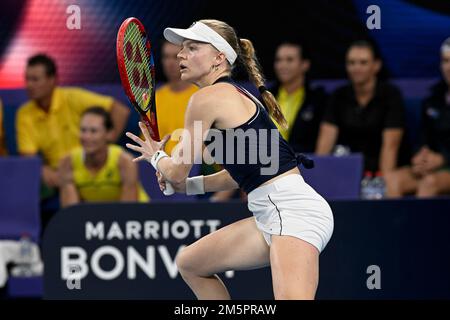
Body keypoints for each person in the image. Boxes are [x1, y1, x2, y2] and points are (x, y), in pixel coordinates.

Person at [125, 19, 333, 299]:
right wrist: (187, 186)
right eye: (182, 48)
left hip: (290, 211)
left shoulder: (205, 99)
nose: (180, 55)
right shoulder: (237, 95)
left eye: (192, 47)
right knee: (191, 263)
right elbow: (238, 174)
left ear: (218, 58)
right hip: (272, 213)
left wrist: (156, 156)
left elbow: (175, 171)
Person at [16, 54, 130, 191]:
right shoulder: (24, 113)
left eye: (35, 79)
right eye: (27, 79)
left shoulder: (73, 97)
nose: (29, 85)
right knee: (27, 184)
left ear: (52, 80)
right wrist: (42, 170)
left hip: (89, 166)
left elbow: (120, 111)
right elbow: (29, 158)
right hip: (57, 174)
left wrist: (105, 142)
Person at [316, 40, 408, 174]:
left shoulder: (391, 95)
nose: (356, 68)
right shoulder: (338, 96)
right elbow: (324, 144)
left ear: (376, 65)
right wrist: (317, 175)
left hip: (380, 170)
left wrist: (383, 184)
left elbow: (390, 146)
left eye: (363, 62)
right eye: (351, 63)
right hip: (347, 170)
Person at [384, 38, 450, 198]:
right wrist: (420, 157)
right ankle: (393, 224)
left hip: (443, 167)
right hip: (432, 166)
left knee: (429, 183)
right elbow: (423, 138)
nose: (449, 67)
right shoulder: (432, 100)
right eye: (446, 61)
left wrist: (443, 159)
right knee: (393, 180)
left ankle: (421, 224)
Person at [59, 107, 149, 207]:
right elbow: (72, 212)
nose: (86, 137)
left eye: (93, 131)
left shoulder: (124, 162)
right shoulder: (68, 162)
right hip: (96, 217)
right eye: (83, 130)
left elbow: (128, 211)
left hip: (136, 216)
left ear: (109, 134)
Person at [271, 40, 328, 153]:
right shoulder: (264, 98)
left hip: (301, 166)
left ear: (305, 64)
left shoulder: (318, 100)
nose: (282, 65)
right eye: (279, 60)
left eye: (289, 60)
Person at [154, 40, 198, 155]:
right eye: (166, 57)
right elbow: (149, 142)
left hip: (196, 167)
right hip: (161, 166)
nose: (170, 63)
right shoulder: (153, 99)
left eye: (176, 57)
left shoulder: (201, 95)